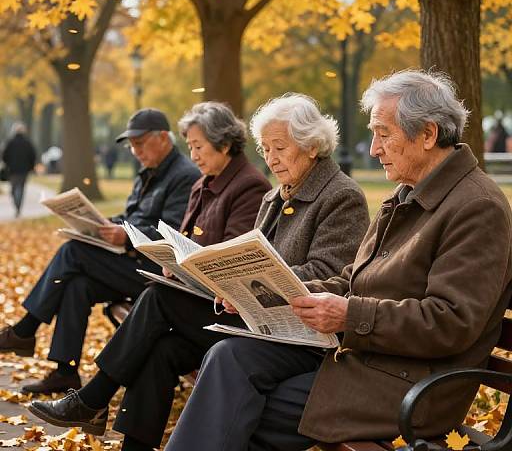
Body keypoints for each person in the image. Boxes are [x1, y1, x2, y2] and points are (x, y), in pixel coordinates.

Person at [155, 70, 511, 451]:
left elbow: (451, 322)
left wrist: (348, 315)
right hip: (366, 360)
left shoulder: (477, 207)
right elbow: (352, 279)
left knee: (238, 407)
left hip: (414, 386)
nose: (374, 149)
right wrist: (268, 294)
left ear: (427, 134)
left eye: (383, 133)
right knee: (230, 358)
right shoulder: (408, 193)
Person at [29, 93, 370, 451]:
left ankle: (94, 397)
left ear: (312, 145)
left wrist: (247, 282)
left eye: (279, 148)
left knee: (159, 299)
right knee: (162, 347)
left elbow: (329, 273)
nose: (270, 158)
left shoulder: (341, 196)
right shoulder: (276, 196)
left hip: (294, 331)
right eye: (265, 148)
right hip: (251, 317)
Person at [0, 108, 201, 394]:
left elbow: (172, 232)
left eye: (140, 143)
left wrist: (127, 237)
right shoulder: (147, 173)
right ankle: (65, 372)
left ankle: (24, 330)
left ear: (164, 138)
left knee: (73, 252)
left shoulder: (184, 176)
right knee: (78, 286)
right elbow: (133, 216)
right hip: (128, 264)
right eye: (132, 145)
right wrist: (103, 224)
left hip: (156, 271)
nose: (135, 151)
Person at [1, 122, 37, 217]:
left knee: (13, 189)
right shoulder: (27, 143)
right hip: (24, 170)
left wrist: (7, 164)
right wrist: (31, 167)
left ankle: (17, 205)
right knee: (20, 188)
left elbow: (4, 155)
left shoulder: (10, 142)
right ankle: (18, 206)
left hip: (12, 170)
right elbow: (33, 156)